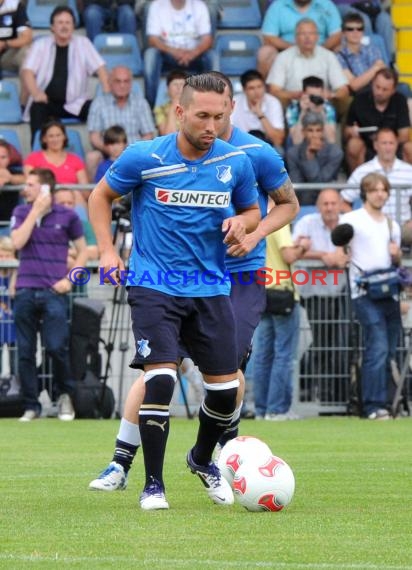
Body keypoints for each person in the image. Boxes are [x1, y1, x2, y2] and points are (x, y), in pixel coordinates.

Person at [88, 70, 300, 493]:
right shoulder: (155, 155)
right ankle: (121, 462)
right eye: (203, 115)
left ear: (231, 108)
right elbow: (102, 195)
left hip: (237, 277)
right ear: (183, 110)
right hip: (170, 277)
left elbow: (287, 204)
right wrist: (108, 251)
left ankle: (212, 458)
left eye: (219, 116)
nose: (212, 125)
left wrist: (253, 232)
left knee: (229, 378)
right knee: (158, 370)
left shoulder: (254, 155)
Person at [10, 168, 88, 422]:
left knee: (56, 348)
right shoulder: (21, 212)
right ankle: (31, 405)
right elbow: (18, 242)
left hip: (54, 291)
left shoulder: (67, 215)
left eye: (31, 185)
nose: (25, 189)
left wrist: (70, 279)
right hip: (24, 289)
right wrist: (35, 212)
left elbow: (83, 252)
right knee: (25, 351)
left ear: (45, 188)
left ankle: (65, 396)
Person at [340, 172, 402, 420]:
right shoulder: (352, 219)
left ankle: (385, 402)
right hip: (364, 291)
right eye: (375, 189)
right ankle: (373, 405)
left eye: (383, 189)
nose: (380, 194)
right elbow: (340, 245)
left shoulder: (392, 224)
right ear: (365, 192)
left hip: (389, 291)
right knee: (377, 345)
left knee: (389, 348)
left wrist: (396, 255)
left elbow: (394, 260)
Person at [292, 189, 349, 401]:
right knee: (324, 341)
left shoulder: (347, 224)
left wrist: (342, 256)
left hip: (342, 292)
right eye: (325, 204)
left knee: (336, 343)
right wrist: (324, 256)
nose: (330, 208)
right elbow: (292, 250)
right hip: (314, 292)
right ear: (318, 206)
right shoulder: (307, 222)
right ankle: (318, 391)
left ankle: (330, 393)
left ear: (340, 205)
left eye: (333, 203)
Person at [21, 5, 110, 141]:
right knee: (36, 108)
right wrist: (36, 93)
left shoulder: (83, 43)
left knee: (99, 108)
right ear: (52, 27)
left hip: (76, 103)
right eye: (60, 23)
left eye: (68, 22)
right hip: (47, 103)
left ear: (73, 26)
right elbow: (27, 71)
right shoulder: (41, 45)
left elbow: (101, 69)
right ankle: (37, 154)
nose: (64, 26)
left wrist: (107, 94)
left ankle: (104, 150)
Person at [253, 224, 309, 420]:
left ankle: (261, 409)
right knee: (284, 355)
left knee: (263, 356)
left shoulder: (260, 221)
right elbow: (288, 256)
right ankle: (277, 409)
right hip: (283, 293)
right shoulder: (280, 223)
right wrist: (302, 247)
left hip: (263, 292)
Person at [87, 66, 155, 179]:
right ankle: (94, 195)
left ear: (131, 83)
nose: (122, 85)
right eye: (118, 81)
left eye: (126, 81)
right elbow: (94, 136)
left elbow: (148, 134)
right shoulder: (98, 103)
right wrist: (110, 149)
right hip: (108, 152)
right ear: (109, 82)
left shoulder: (141, 103)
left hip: (134, 152)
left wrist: (131, 151)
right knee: (92, 157)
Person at [143, 0, 214, 108]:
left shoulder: (199, 6)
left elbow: (208, 40)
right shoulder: (157, 5)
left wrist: (192, 53)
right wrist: (174, 52)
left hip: (194, 54)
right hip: (167, 54)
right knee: (150, 54)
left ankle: (212, 104)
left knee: (212, 56)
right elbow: (152, 40)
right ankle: (149, 106)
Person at [266, 19, 349, 109]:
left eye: (311, 33)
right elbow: (274, 90)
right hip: (293, 104)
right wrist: (295, 95)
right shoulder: (283, 57)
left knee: (347, 100)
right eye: (303, 34)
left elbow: (343, 89)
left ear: (317, 37)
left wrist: (330, 94)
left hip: (323, 104)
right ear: (296, 37)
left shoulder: (328, 56)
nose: (307, 37)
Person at [344, 68, 412, 174]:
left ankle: (407, 184)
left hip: (393, 145)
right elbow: (347, 131)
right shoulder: (359, 100)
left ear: (393, 90)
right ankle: (358, 183)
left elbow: (404, 135)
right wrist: (352, 132)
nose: (379, 92)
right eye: (377, 87)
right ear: (372, 84)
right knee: (353, 144)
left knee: (410, 147)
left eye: (385, 89)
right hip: (367, 146)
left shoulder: (400, 100)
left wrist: (386, 143)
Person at [341, 128, 412, 224]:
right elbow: (343, 202)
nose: (388, 147)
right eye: (384, 143)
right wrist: (358, 221)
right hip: (371, 228)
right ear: (375, 145)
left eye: (391, 143)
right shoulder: (362, 171)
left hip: (404, 227)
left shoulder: (409, 171)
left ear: (396, 145)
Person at [258, 0, 342, 80]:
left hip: (321, 50)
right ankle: (267, 92)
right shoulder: (278, 5)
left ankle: (340, 91)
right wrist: (296, 49)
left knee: (341, 50)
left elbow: (336, 35)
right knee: (265, 52)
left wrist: (318, 50)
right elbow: (269, 37)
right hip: (286, 51)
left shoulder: (326, 4)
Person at [286, 111, 343, 205]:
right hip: (302, 198)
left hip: (328, 195)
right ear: (303, 132)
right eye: (310, 130)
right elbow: (296, 182)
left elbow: (321, 182)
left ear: (323, 131)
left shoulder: (335, 152)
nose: (314, 135)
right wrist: (308, 157)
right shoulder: (293, 153)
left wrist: (310, 158)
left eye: (318, 130)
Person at [231, 69, 285, 150]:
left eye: (260, 87)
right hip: (240, 146)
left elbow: (278, 141)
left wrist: (260, 114)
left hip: (267, 146)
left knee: (279, 151)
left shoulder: (273, 102)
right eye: (251, 88)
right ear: (244, 90)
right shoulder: (234, 102)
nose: (257, 92)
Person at [336, 12, 386, 96]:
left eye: (359, 29)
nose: (355, 32)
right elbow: (354, 85)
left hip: (378, 89)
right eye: (350, 29)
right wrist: (375, 68)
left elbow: (383, 75)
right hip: (359, 96)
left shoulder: (373, 49)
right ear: (343, 32)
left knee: (403, 88)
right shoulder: (339, 56)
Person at [333, 0, 393, 64]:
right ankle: (370, 62)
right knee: (363, 20)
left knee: (385, 19)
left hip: (369, 5)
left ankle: (388, 64)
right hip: (343, 4)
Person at [286, 75, 338, 146]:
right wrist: (303, 112)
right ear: (303, 94)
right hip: (300, 147)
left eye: (318, 96)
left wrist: (322, 112)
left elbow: (331, 140)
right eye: (312, 96)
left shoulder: (327, 107)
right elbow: (296, 142)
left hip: (321, 143)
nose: (315, 100)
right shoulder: (293, 108)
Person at [53, 187, 98, 263]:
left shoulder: (84, 225)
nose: (66, 206)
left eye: (70, 203)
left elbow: (94, 253)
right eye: (62, 203)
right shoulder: (46, 225)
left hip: (80, 271)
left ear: (74, 204)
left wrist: (68, 252)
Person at [0, 0, 32, 83]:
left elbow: (26, 37)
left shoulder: (15, 6)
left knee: (26, 52)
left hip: (6, 56)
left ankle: (26, 94)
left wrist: (5, 43)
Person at [0, 140, 25, 236]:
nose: (0, 161)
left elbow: (27, 179)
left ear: (9, 159)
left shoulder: (14, 172)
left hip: (10, 226)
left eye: (3, 157)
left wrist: (10, 177)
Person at [0, 235, 17, 378]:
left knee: (16, 360)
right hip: (1, 322)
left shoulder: (16, 272)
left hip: (13, 323)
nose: (4, 259)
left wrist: (14, 274)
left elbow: (13, 293)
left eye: (8, 255)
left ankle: (17, 387)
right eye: (1, 256)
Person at [154, 69, 188, 136]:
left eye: (182, 84)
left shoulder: (194, 107)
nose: (178, 88)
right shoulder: (160, 109)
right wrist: (173, 105)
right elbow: (167, 136)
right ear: (167, 89)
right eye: (175, 84)